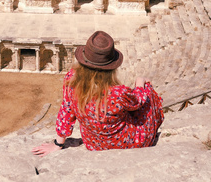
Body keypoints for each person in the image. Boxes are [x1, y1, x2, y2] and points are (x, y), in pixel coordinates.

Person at [32, 31, 164, 156]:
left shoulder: (71, 80)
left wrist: (57, 144)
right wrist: (140, 83)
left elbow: (66, 110)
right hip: (129, 143)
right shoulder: (118, 93)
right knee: (147, 92)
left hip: (94, 143)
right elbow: (138, 101)